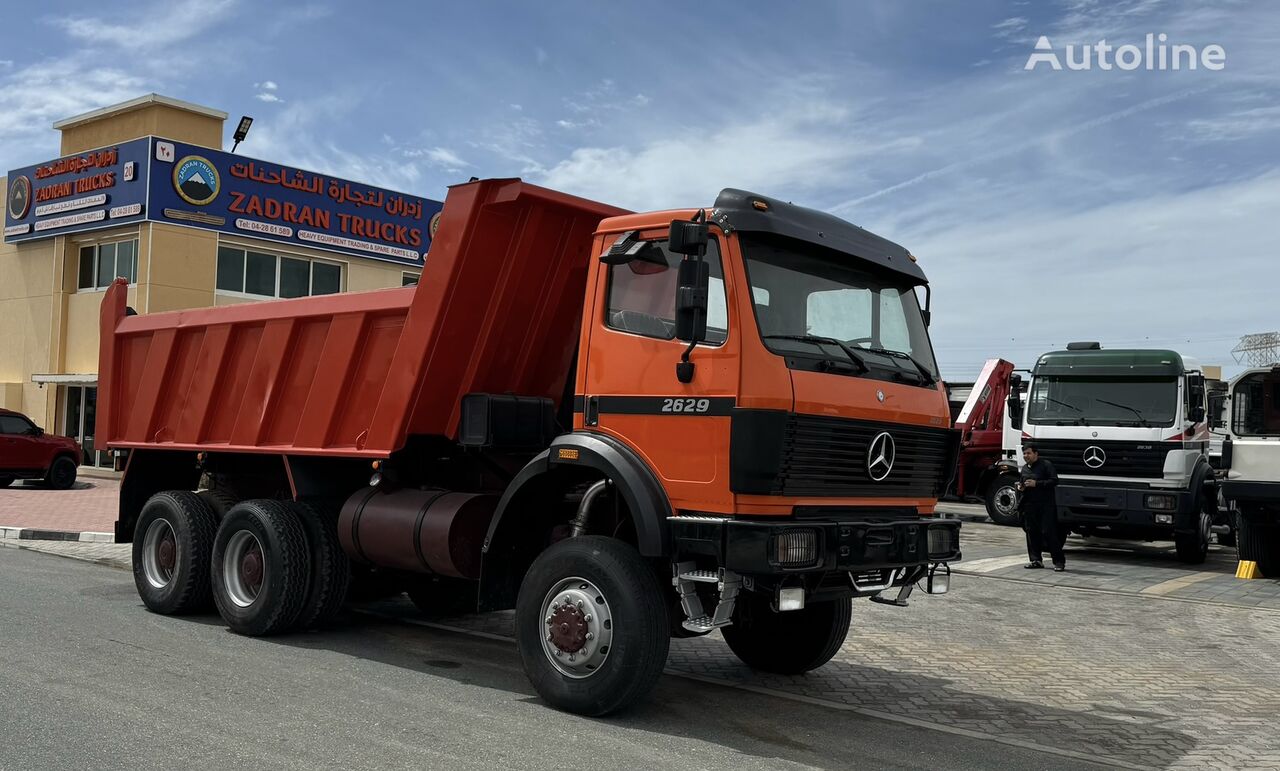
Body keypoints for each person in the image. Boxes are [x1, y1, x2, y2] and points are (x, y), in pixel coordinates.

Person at [1018, 443, 1064, 571]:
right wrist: (1021, 487)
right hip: (1029, 505)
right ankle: (1035, 560)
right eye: (1024, 454)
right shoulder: (1025, 469)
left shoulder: (1046, 465)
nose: (1026, 456)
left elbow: (1054, 481)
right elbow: (1022, 483)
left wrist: (1036, 484)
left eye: (1028, 453)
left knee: (1049, 532)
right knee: (1032, 532)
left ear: (1036, 454)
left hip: (1045, 505)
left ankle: (1059, 561)